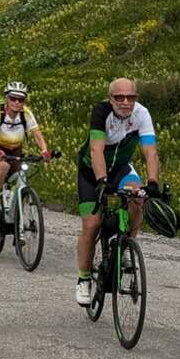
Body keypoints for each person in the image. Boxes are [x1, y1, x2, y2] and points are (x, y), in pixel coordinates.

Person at [74, 77, 160, 305]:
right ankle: (83, 279)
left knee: (138, 196)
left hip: (121, 169)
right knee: (91, 225)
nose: (125, 102)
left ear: (136, 99)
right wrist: (101, 180)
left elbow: (150, 151)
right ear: (110, 98)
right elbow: (96, 150)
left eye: (130, 97)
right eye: (119, 97)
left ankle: (126, 247)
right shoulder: (101, 113)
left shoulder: (141, 114)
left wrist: (152, 182)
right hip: (92, 172)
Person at [0, 80, 51, 221]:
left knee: (22, 175)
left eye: (21, 99)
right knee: (4, 166)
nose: (17, 102)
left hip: (15, 150)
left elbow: (37, 134)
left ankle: (17, 215)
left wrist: (44, 150)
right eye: (13, 98)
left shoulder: (26, 114)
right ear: (6, 99)